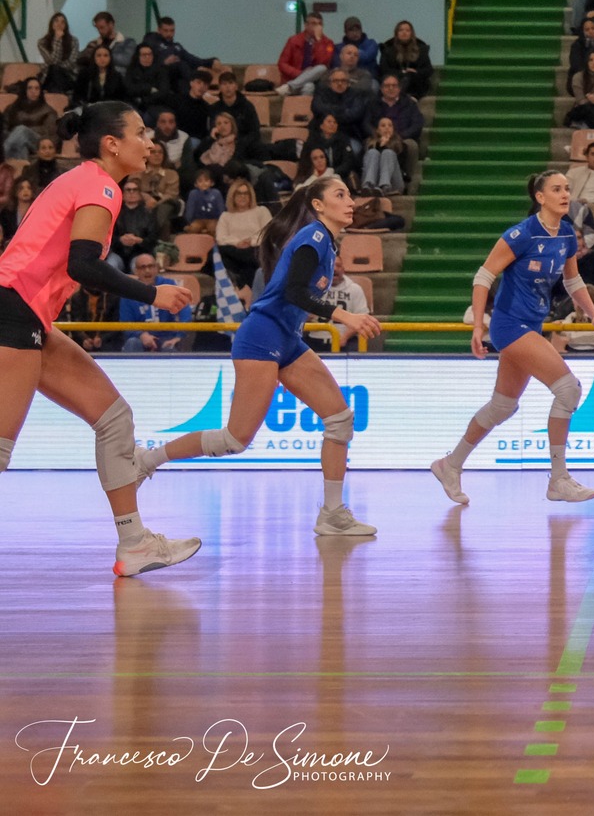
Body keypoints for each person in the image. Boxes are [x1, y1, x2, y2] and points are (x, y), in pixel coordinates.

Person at [0, 101, 202, 575]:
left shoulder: (86, 181)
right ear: (112, 144)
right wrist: (155, 294)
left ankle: (134, 544)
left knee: (114, 419)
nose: (151, 142)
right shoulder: (101, 184)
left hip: (28, 316)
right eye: (141, 132)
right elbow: (84, 265)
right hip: (12, 313)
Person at [138, 173, 384, 534]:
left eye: (350, 195)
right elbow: (295, 293)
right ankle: (146, 459)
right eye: (340, 194)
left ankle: (332, 514)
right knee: (235, 440)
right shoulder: (313, 236)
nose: (350, 202)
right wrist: (346, 316)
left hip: (287, 339)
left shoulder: (328, 244)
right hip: (261, 337)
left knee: (340, 419)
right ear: (318, 205)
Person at [434, 172, 594, 507]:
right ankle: (558, 479)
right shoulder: (521, 234)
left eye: (567, 189)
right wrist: (477, 327)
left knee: (502, 407)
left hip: (532, 325)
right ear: (540, 197)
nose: (564, 194)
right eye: (556, 189)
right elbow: (483, 276)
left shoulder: (567, 236)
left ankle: (450, 464)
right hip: (509, 325)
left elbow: (573, 281)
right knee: (568, 389)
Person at [117, 254, 193, 352]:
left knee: (170, 348)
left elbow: (185, 311)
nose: (147, 271)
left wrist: (179, 336)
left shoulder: (169, 285)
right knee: (132, 343)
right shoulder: (128, 292)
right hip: (140, 338)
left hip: (166, 337)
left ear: (157, 268)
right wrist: (141, 335)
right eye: (143, 267)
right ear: (136, 271)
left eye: (151, 266)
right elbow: (125, 323)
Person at [278, 14, 337, 95]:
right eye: (314, 23)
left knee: (320, 70)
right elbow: (282, 64)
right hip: (293, 77)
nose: (317, 27)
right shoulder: (293, 40)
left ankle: (289, 87)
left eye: (320, 24)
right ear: (306, 25)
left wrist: (319, 41)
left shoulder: (328, 43)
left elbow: (324, 61)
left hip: (314, 80)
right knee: (308, 85)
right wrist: (300, 74)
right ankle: (291, 86)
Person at [378, 20, 433, 98]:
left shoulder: (421, 49)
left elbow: (429, 69)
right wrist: (401, 72)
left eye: (407, 30)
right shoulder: (387, 49)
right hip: (395, 80)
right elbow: (383, 69)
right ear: (396, 33)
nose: (404, 33)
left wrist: (416, 72)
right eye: (401, 30)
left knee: (412, 77)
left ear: (411, 33)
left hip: (416, 84)